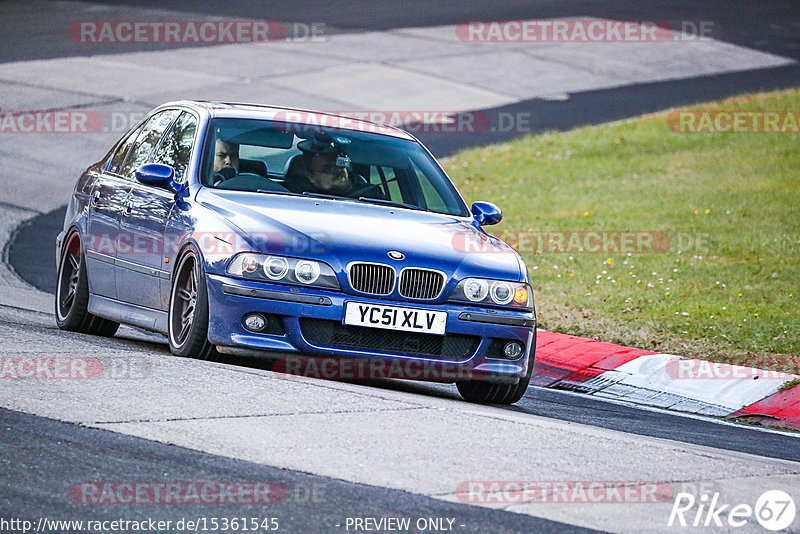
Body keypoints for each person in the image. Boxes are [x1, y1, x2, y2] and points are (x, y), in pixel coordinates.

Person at [284, 134, 383, 199]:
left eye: (340, 164)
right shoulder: (291, 195)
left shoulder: (372, 194)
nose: (337, 170)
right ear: (311, 177)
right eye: (328, 168)